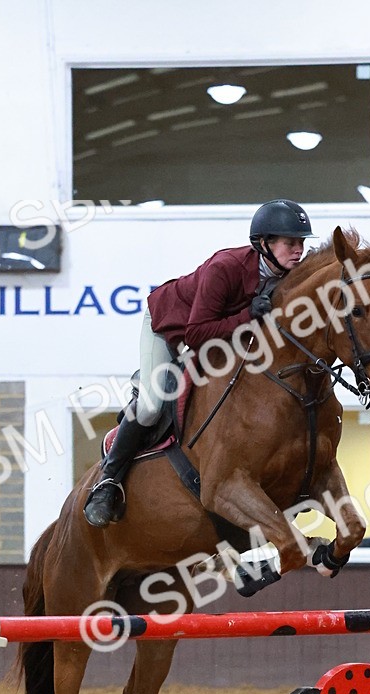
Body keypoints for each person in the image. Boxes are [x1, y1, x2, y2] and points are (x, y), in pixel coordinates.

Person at [83, 198, 315, 527]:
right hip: (169, 329)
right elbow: (195, 333)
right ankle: (108, 482)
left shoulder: (285, 278)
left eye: (302, 243)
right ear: (264, 244)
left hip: (219, 338)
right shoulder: (226, 267)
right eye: (291, 243)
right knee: (150, 405)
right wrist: (248, 316)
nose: (299, 250)